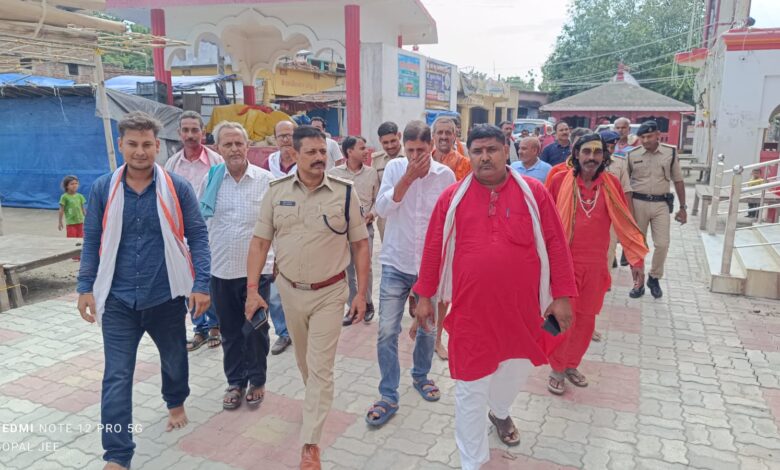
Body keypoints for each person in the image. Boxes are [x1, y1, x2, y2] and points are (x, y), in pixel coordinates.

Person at [412, 124, 578, 470]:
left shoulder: (534, 193)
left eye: (492, 149)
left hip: (525, 314)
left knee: (517, 370)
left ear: (507, 150)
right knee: (470, 391)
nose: (484, 157)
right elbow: (432, 250)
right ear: (469, 154)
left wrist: (562, 295)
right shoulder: (451, 199)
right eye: (477, 151)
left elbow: (556, 245)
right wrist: (424, 296)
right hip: (472, 317)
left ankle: (500, 411)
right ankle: (473, 462)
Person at [77, 111, 211, 470]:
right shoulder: (104, 188)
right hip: (118, 299)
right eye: (132, 144)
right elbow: (92, 240)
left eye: (147, 144)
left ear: (157, 146)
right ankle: (118, 454)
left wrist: (201, 285)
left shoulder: (177, 187)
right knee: (117, 374)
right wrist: (84, 287)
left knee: (174, 358)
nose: (140, 151)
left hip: (165, 295)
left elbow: (197, 235)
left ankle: (175, 399)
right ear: (121, 145)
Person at [245, 125, 370, 469]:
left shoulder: (345, 193)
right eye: (311, 152)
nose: (318, 158)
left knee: (320, 368)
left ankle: (311, 443)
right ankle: (314, 401)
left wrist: (361, 294)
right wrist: (253, 290)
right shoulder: (276, 192)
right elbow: (259, 243)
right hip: (289, 292)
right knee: (305, 364)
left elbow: (360, 244)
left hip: (331, 292)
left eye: (322, 152)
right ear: (294, 155)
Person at [365, 120, 456, 428]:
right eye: (410, 150)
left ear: (432, 146)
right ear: (403, 147)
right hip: (395, 263)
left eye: (421, 150)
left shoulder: (446, 176)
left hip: (430, 269)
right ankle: (388, 393)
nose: (416, 156)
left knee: (428, 328)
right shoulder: (394, 169)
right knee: (387, 330)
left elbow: (450, 224)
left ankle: (421, 376)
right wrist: (407, 178)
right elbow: (382, 209)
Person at [546, 133, 648, 395]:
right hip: (563, 266)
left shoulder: (611, 184)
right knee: (559, 320)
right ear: (576, 154)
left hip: (595, 266)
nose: (592, 158)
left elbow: (624, 222)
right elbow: (543, 221)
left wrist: (635, 259)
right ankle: (555, 368)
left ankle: (570, 364)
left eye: (597, 152)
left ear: (604, 156)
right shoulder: (558, 180)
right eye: (587, 152)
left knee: (586, 322)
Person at [199, 121, 275, 410]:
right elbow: (202, 224)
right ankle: (235, 381)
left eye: (238, 143)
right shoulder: (212, 179)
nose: (233, 149)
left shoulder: (266, 180)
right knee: (230, 331)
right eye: (227, 144)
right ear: (218, 149)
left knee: (254, 329)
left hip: (258, 272)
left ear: (247, 146)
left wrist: (276, 260)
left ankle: (257, 379)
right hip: (221, 270)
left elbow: (277, 224)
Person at [165, 110, 224, 352]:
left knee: (209, 279)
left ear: (203, 132)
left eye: (195, 130)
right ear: (179, 134)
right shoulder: (172, 164)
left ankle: (216, 326)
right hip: (181, 235)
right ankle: (199, 328)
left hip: (210, 232)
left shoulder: (216, 162)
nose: (190, 135)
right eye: (186, 130)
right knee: (187, 280)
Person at [627, 120, 686, 299]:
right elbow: (625, 184)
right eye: (642, 137)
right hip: (638, 203)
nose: (645, 140)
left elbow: (678, 180)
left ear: (657, 135)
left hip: (661, 204)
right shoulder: (633, 154)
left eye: (649, 136)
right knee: (637, 246)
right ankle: (638, 282)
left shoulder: (670, 152)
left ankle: (654, 277)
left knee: (662, 244)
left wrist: (683, 208)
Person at [329, 136, 379, 324]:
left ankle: (367, 303)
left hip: (365, 229)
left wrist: (372, 214)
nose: (367, 151)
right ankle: (352, 306)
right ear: (350, 151)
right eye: (362, 148)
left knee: (365, 266)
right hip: (343, 231)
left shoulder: (372, 173)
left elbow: (377, 199)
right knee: (348, 269)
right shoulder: (334, 173)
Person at [260, 120, 297, 355]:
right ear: (275, 139)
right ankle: (283, 333)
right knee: (274, 290)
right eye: (281, 135)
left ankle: (300, 328)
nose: (285, 140)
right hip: (274, 231)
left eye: (289, 135)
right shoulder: (268, 164)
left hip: (300, 231)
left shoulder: (306, 160)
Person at [600, 130, 633, 270]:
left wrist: (628, 216)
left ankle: (605, 280)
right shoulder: (588, 162)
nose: (610, 150)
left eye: (612, 147)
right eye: (607, 147)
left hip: (612, 212)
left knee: (610, 246)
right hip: (590, 210)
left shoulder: (620, 163)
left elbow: (626, 190)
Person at [371, 121, 405, 241]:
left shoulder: (411, 155)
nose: (390, 146)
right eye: (385, 142)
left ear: (399, 136)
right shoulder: (376, 160)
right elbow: (376, 192)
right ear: (380, 141)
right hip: (386, 218)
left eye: (393, 141)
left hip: (406, 215)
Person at [432, 117, 471, 181]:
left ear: (454, 136)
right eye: (440, 132)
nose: (444, 137)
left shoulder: (467, 165)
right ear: (433, 135)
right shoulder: (425, 162)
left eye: (448, 133)